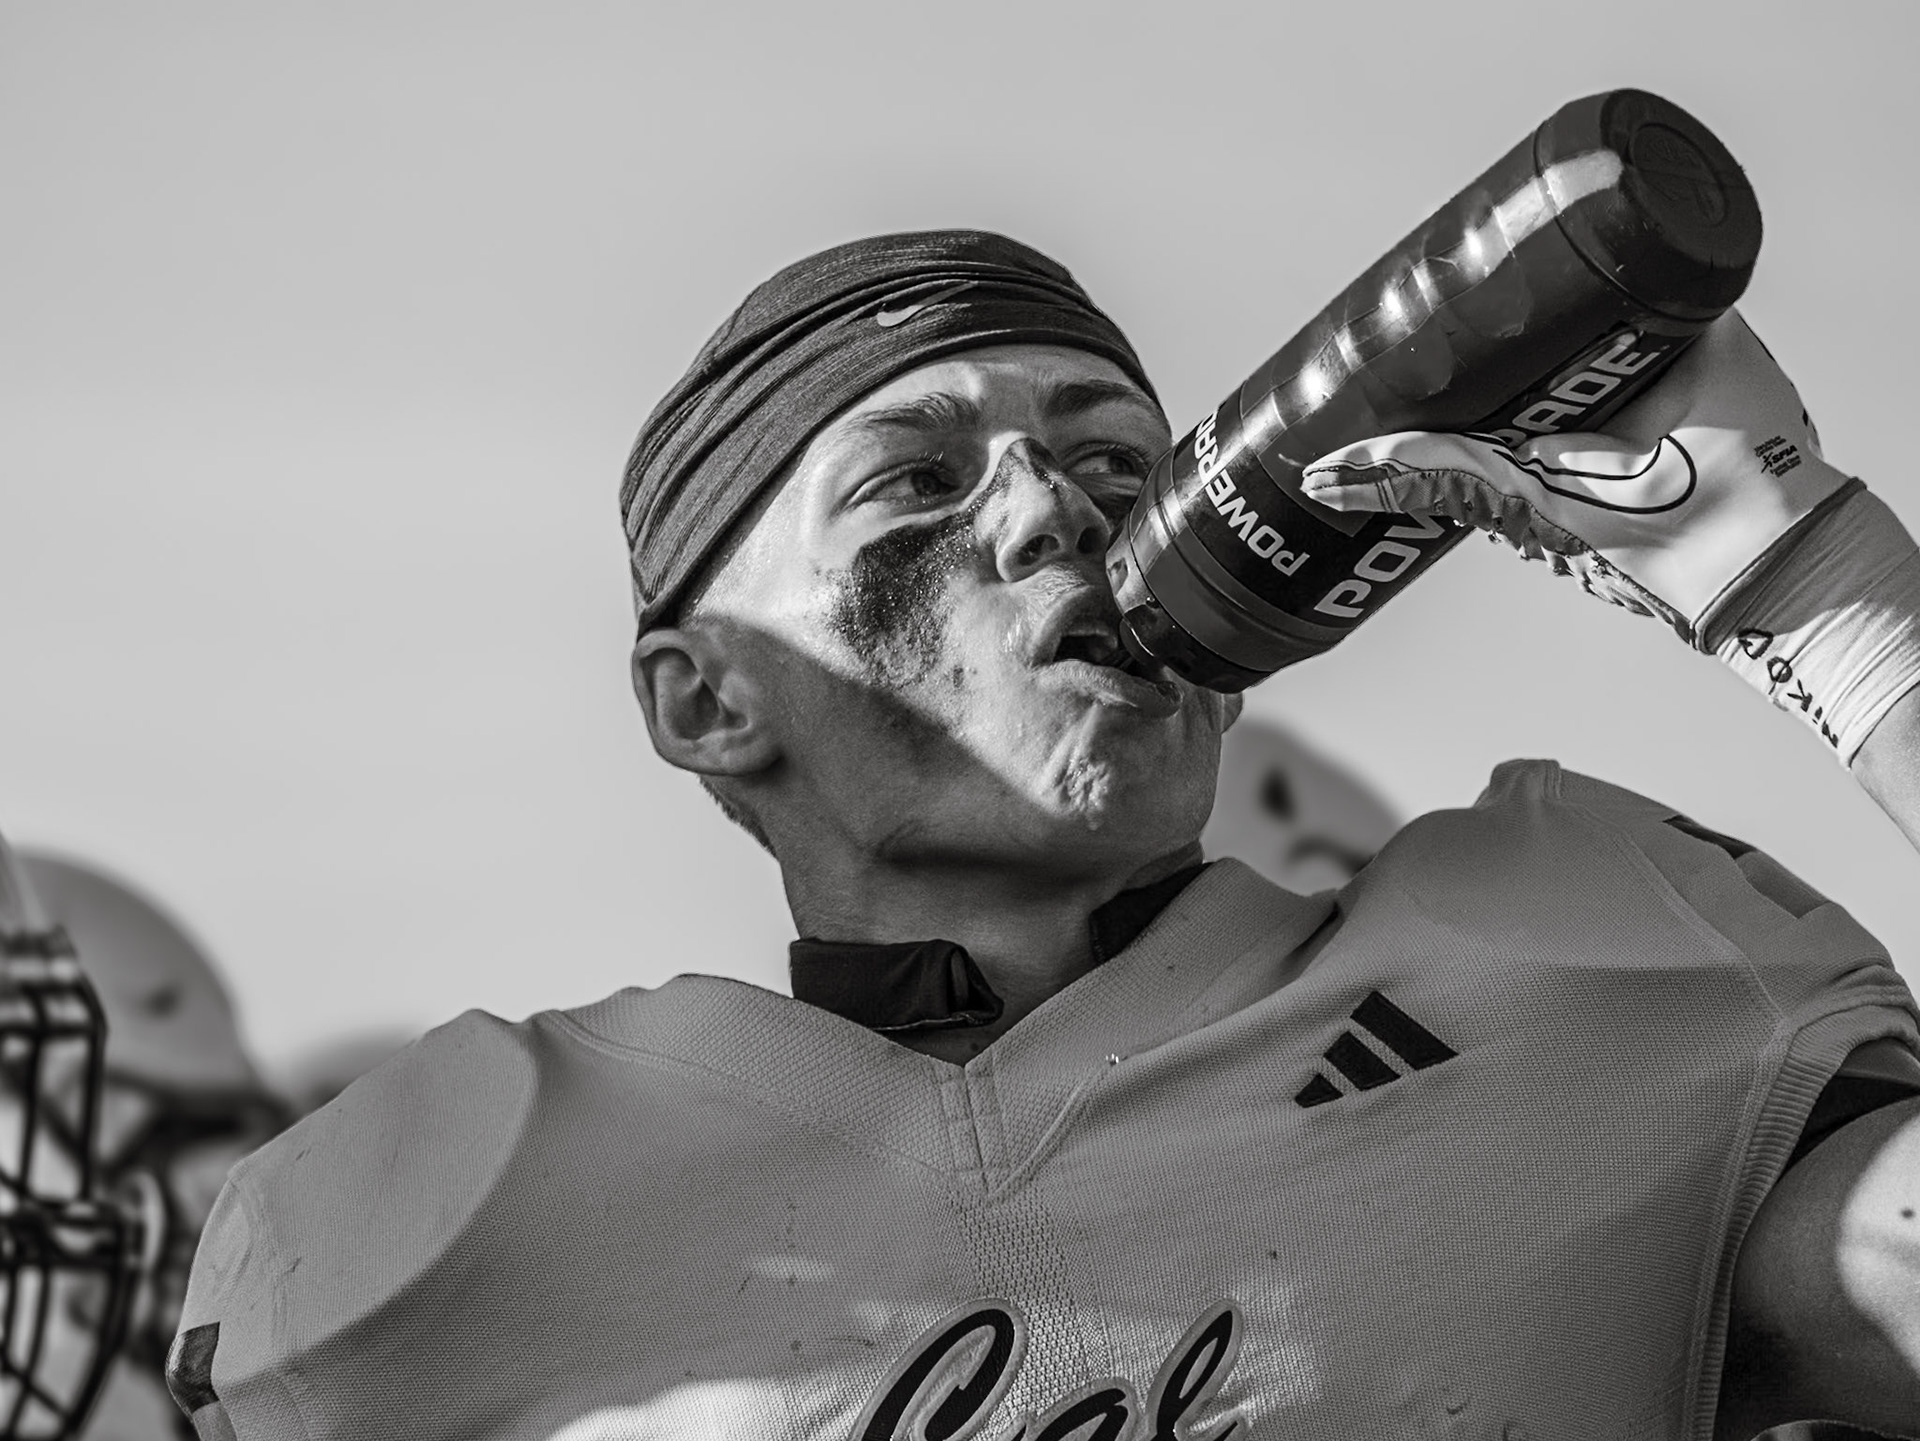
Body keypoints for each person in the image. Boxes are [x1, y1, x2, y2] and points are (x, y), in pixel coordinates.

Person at [169, 231, 1920, 1440]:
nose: (1048, 514)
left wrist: (1834, 604)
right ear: (707, 702)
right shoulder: (439, 1209)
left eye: (1116, 468)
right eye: (915, 482)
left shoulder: (1572, 971)